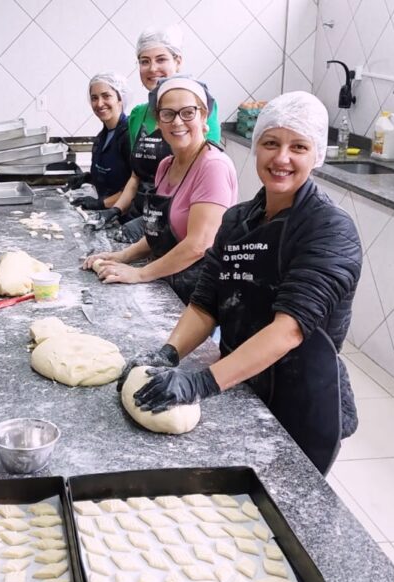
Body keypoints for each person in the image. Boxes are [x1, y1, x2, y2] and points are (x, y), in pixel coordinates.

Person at [123, 91, 362, 475]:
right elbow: (205, 304)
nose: (281, 158)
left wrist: (200, 383)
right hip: (239, 381)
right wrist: (168, 354)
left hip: (300, 399)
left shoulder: (329, 230)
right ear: (256, 148)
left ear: (315, 155)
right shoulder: (236, 221)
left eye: (298, 147)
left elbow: (288, 332)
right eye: (271, 143)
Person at [82, 77, 236, 304]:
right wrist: (123, 256)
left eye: (188, 113)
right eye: (168, 114)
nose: (177, 122)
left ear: (203, 116)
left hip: (200, 294)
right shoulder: (166, 166)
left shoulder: (213, 166)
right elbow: (161, 234)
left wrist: (140, 273)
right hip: (168, 280)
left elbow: (198, 244)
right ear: (158, 121)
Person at [100, 25, 223, 241]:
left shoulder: (201, 110)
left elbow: (199, 178)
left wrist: (151, 222)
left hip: (179, 227)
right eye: (144, 61)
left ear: (178, 61)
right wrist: (116, 210)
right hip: (140, 219)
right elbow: (136, 176)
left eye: (161, 59)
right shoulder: (138, 114)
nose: (152, 68)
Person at [67, 72, 132, 211]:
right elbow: (113, 177)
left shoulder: (130, 136)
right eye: (94, 98)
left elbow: (135, 188)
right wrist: (88, 178)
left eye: (106, 96)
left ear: (120, 98)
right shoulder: (101, 138)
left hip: (124, 216)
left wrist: (102, 204)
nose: (99, 103)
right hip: (106, 215)